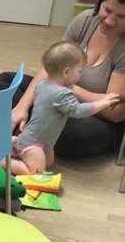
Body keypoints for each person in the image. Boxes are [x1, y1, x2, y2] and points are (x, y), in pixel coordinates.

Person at [0, 0, 125, 159]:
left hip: (95, 118)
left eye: (121, 17)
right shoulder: (86, 20)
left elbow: (114, 111)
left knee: (76, 136)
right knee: (6, 81)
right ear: (101, 1)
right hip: (58, 98)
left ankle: (28, 132)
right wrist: (21, 107)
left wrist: (72, 90)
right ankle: (32, 129)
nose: (110, 20)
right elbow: (51, 67)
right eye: (107, 10)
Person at [6, 41, 120, 175]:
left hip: (44, 140)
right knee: (36, 173)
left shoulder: (42, 83)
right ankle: (5, 162)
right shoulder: (63, 94)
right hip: (34, 142)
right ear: (66, 72)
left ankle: (16, 145)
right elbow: (79, 111)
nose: (80, 75)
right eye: (79, 71)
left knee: (48, 163)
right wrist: (103, 103)